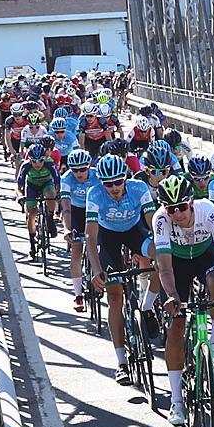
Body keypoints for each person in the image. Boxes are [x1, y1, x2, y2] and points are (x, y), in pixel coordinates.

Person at [150, 174, 214, 427]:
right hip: (176, 263)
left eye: (182, 207)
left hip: (204, 255)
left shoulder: (208, 211)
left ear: (191, 202)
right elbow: (164, 268)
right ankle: (177, 401)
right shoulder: (161, 220)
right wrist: (173, 297)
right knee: (176, 327)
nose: (177, 214)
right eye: (171, 209)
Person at [84, 154, 158, 385]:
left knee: (160, 254)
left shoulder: (138, 187)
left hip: (134, 231)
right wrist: (96, 270)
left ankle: (148, 306)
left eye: (118, 181)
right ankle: (121, 362)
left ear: (125, 178)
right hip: (108, 239)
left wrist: (160, 250)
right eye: (108, 183)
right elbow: (91, 234)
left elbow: (152, 219)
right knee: (115, 297)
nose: (114, 188)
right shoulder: (94, 194)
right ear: (101, 183)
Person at [59, 148, 98, 311]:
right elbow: (66, 208)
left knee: (100, 247)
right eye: (75, 170)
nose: (79, 173)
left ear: (89, 166)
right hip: (75, 212)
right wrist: (67, 229)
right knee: (76, 252)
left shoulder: (97, 176)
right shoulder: (67, 178)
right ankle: (78, 295)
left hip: (94, 212)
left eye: (83, 169)